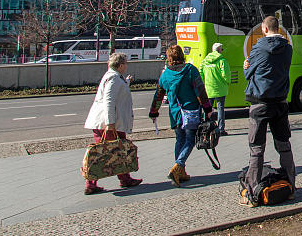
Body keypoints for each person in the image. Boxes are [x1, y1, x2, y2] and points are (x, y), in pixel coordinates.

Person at [240, 15, 296, 204]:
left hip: (260, 103)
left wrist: (246, 66)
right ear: (278, 28)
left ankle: (253, 192)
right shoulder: (288, 48)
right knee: (284, 145)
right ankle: (291, 186)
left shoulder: (259, 48)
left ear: (264, 29)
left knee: (256, 149)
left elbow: (248, 73)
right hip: (280, 102)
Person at [149, 45, 212, 187]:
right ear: (182, 55)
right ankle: (179, 165)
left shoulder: (165, 75)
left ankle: (180, 172)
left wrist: (154, 112)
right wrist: (207, 107)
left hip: (175, 113)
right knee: (190, 139)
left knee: (179, 139)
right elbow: (200, 90)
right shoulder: (190, 70)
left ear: (169, 58)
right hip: (190, 111)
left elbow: (158, 95)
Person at [83, 52, 142, 194]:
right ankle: (91, 183)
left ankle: (124, 178)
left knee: (116, 151)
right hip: (108, 124)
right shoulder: (113, 78)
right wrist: (110, 123)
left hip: (110, 123)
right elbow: (109, 101)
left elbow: (116, 91)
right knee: (105, 153)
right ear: (120, 65)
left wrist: (126, 82)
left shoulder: (115, 77)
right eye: (125, 63)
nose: (126, 66)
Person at [199, 42, 230, 135]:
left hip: (208, 88)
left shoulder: (205, 61)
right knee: (220, 109)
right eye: (222, 49)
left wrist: (204, 83)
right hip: (220, 89)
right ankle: (221, 129)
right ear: (219, 50)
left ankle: (207, 128)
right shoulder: (222, 61)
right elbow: (226, 75)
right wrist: (227, 82)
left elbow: (200, 72)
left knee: (208, 109)